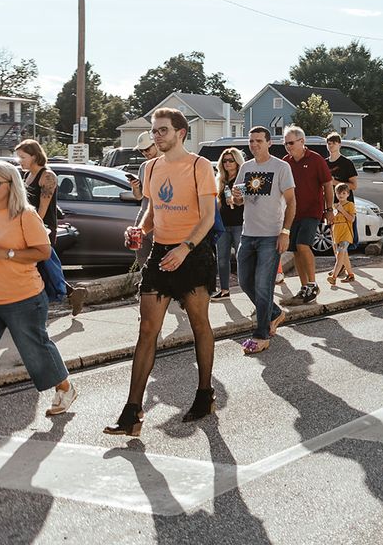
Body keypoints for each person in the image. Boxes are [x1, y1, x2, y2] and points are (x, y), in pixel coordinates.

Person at [105, 108, 218, 436]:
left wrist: (185, 248)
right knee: (147, 331)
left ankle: (204, 393)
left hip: (193, 255)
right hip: (160, 255)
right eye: (154, 131)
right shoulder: (149, 167)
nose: (156, 136)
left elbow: (208, 217)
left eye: (162, 131)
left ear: (180, 133)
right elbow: (152, 211)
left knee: (199, 325)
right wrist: (139, 230)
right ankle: (132, 412)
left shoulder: (199, 167)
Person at [0, 162, 76, 437]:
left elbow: (43, 251)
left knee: (36, 351)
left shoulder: (26, 216)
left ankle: (65, 387)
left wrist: (4, 254)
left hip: (23, 298)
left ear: (11, 185)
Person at [232, 126, 295, 356]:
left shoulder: (281, 167)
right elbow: (239, 200)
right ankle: (274, 313)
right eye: (251, 141)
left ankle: (261, 335)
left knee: (263, 285)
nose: (254, 144)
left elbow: (291, 201)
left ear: (269, 143)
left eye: (259, 140)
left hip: (271, 235)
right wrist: (236, 198)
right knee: (245, 282)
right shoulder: (246, 168)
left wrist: (285, 232)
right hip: (248, 234)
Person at [15, 139, 87, 316]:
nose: (20, 161)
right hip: (29, 225)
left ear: (34, 156)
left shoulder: (47, 176)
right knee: (42, 267)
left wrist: (30, 228)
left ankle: (38, 306)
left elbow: (42, 209)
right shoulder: (27, 176)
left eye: (23, 157)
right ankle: (71, 293)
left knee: (40, 265)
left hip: (43, 227)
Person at [280, 126, 334, 304]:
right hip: (291, 213)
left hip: (311, 211)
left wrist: (329, 209)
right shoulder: (285, 162)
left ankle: (312, 284)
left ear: (302, 142)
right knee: (295, 249)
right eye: (285, 143)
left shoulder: (316, 160)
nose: (288, 146)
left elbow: (327, 185)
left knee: (303, 245)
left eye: (291, 143)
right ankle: (304, 289)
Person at [212, 147, 244, 299]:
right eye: (224, 161)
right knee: (222, 259)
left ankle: (248, 287)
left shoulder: (242, 179)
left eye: (231, 160)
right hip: (223, 225)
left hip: (239, 223)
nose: (227, 163)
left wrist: (237, 201)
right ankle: (224, 290)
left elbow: (246, 201)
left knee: (242, 257)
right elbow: (218, 204)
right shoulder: (220, 180)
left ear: (237, 162)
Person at [127, 130, 158, 270]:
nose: (145, 153)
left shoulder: (168, 165)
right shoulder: (143, 167)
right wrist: (135, 187)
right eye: (141, 151)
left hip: (160, 217)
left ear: (156, 144)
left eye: (147, 149)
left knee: (159, 257)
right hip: (143, 214)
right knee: (141, 255)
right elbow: (139, 197)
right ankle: (144, 284)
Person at [325, 132, 359, 245]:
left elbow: (354, 185)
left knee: (345, 241)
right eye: (329, 143)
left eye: (334, 143)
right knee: (334, 240)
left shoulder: (347, 163)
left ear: (339, 144)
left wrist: (335, 182)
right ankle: (342, 263)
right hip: (330, 205)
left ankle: (340, 263)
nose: (331, 146)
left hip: (346, 205)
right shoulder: (324, 163)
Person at [328, 182, 356, 284]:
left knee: (340, 254)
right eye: (339, 193)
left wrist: (342, 210)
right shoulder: (334, 206)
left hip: (346, 232)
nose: (341, 195)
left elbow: (352, 219)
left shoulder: (350, 205)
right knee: (343, 256)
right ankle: (350, 274)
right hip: (336, 232)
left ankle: (334, 276)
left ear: (348, 194)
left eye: (344, 193)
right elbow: (331, 221)